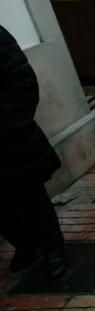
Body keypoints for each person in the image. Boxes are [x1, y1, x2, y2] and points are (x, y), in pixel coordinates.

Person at [0, 24, 69, 281]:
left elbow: (22, 82)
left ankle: (54, 249)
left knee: (31, 196)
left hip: (8, 137)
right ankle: (24, 244)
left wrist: (9, 125)